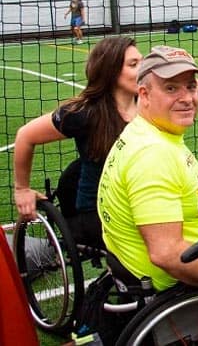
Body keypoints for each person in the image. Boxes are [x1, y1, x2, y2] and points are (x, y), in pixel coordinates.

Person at [97, 46, 198, 291]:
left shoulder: (148, 132)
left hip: (183, 250)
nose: (187, 98)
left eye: (191, 86)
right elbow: (167, 254)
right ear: (144, 95)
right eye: (171, 88)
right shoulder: (152, 155)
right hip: (177, 281)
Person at [14, 37, 141, 248]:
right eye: (133, 64)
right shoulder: (84, 113)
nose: (143, 69)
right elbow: (25, 136)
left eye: (142, 62)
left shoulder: (148, 104)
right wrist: (22, 189)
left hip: (136, 202)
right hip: (99, 213)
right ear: (110, 70)